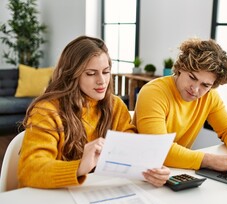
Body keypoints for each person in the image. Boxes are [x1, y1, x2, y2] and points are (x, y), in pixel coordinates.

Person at [17, 36, 170, 189]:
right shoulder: (46, 111)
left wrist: (150, 169)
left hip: (96, 196)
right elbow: (29, 170)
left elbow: (132, 153)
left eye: (106, 72)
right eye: (91, 73)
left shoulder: (115, 105)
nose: (102, 81)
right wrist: (79, 167)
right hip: (51, 200)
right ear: (71, 75)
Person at [133, 37, 227, 174]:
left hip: (174, 171)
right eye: (192, 78)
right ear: (181, 68)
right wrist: (210, 160)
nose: (195, 89)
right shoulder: (154, 92)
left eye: (205, 85)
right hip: (141, 171)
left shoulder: (209, 96)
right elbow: (159, 149)